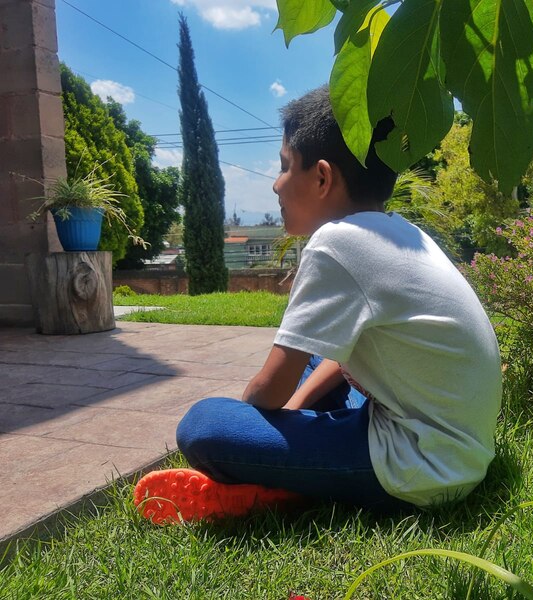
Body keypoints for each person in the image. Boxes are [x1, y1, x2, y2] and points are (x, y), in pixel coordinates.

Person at [133, 85, 502, 525]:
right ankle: (299, 469)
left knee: (205, 426)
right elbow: (324, 365)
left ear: (323, 178)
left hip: (420, 468)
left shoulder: (336, 243)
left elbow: (268, 390)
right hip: (455, 449)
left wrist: (260, 429)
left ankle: (279, 483)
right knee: (317, 368)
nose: (275, 183)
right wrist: (292, 415)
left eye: (286, 166)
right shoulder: (401, 231)